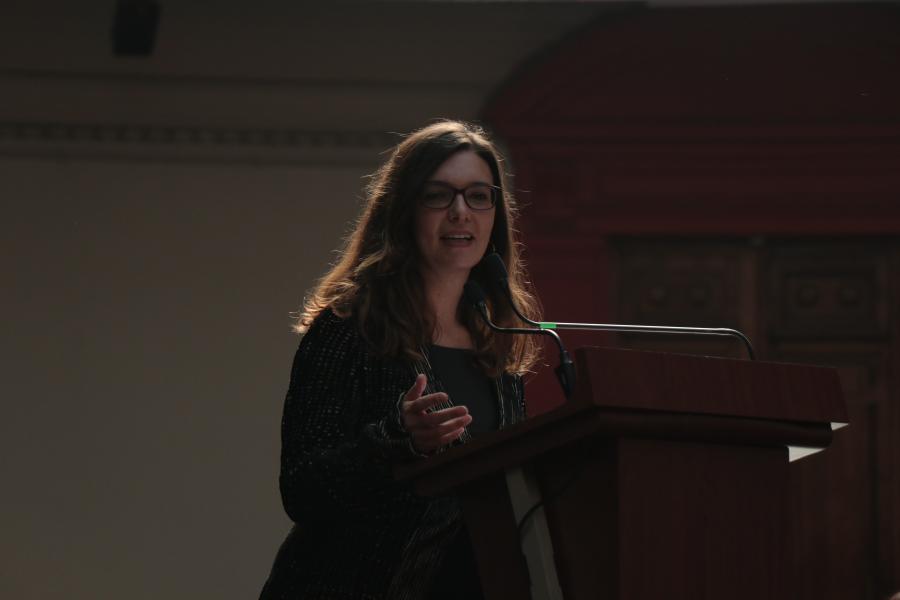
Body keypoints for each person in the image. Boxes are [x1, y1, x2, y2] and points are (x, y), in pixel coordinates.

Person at [259, 120, 541, 600]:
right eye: (439, 196)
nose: (460, 212)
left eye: (478, 195)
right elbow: (302, 490)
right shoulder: (350, 326)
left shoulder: (497, 342)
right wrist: (398, 440)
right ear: (404, 210)